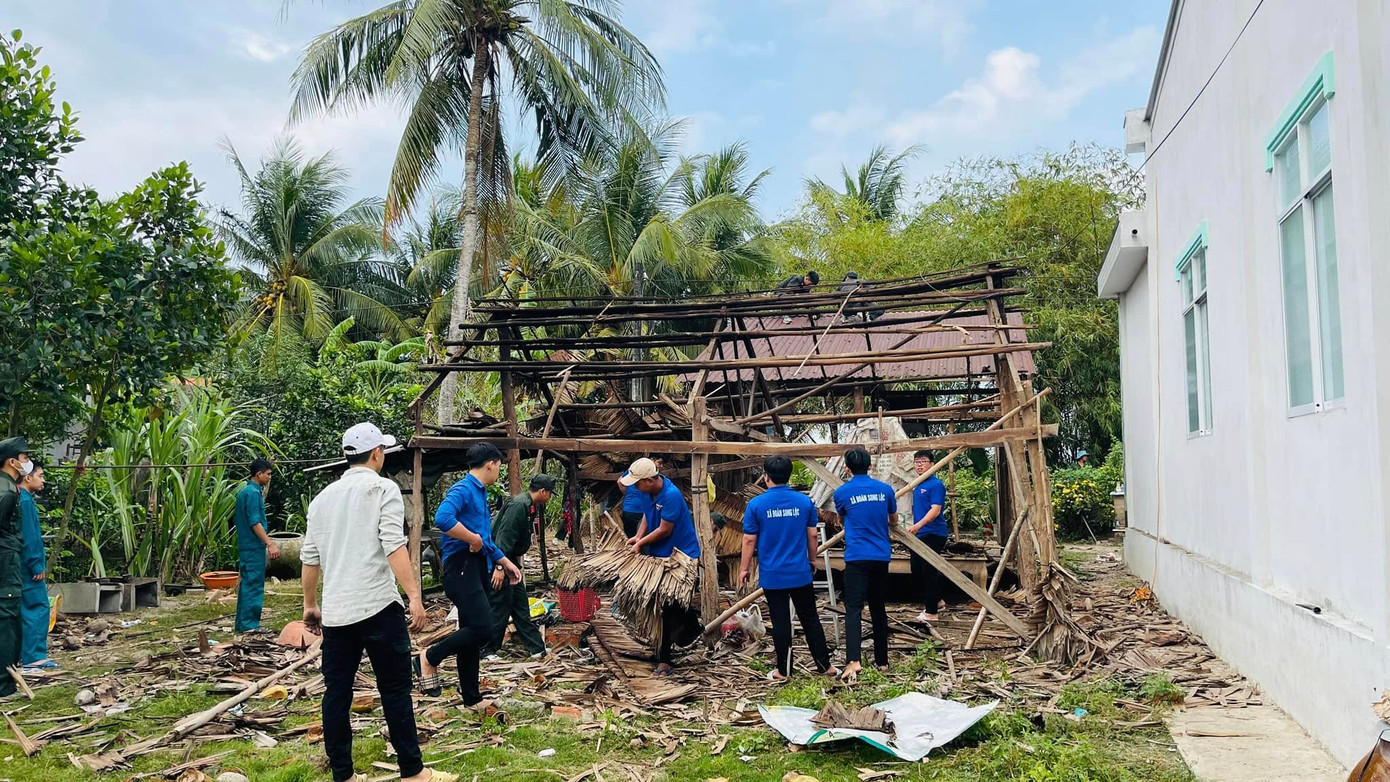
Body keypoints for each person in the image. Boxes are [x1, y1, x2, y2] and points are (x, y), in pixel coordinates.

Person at [300, 423, 449, 782]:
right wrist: (414, 596)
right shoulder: (383, 488)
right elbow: (393, 546)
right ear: (378, 453)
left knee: (337, 695)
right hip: (380, 609)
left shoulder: (322, 500)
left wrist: (310, 605)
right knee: (395, 691)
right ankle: (413, 772)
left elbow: (309, 558)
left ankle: (343, 775)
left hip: (337, 614)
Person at [419, 443, 523, 704]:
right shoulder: (463, 489)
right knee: (483, 629)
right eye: (499, 465)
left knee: (470, 633)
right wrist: (471, 538)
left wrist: (505, 562)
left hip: (476, 566)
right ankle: (429, 657)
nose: (499, 471)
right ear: (490, 463)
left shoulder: (479, 493)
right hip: (462, 566)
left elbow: (484, 539)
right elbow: (442, 518)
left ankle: (471, 697)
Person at [739, 456, 836, 681]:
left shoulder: (756, 505)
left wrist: (744, 568)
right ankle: (825, 666)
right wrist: (812, 560)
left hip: (773, 575)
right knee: (810, 618)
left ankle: (784, 670)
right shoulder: (804, 502)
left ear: (766, 476)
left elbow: (749, 540)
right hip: (800, 572)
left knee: (780, 621)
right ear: (789, 475)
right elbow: (812, 534)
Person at [622, 457, 702, 676]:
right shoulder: (645, 491)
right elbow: (648, 517)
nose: (635, 487)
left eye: (637, 483)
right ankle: (691, 632)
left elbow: (665, 529)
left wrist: (641, 543)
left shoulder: (672, 495)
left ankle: (665, 659)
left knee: (670, 606)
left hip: (680, 556)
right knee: (669, 605)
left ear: (649, 480)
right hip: (660, 553)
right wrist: (638, 536)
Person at [832, 447, 897, 681]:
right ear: (870, 466)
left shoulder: (841, 493)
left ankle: (854, 660)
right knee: (878, 607)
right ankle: (882, 661)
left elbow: (841, 518)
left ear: (847, 469)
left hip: (856, 556)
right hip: (881, 556)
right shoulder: (885, 490)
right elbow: (893, 519)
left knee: (853, 608)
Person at [482, 474, 554, 659]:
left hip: (509, 559)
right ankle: (486, 650)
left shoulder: (528, 505)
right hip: (501, 558)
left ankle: (537, 648)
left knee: (520, 605)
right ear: (542, 491)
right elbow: (503, 537)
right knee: (500, 606)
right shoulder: (519, 505)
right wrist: (500, 568)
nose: (550, 497)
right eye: (549, 493)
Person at [234, 458, 280, 633]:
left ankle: (242, 623)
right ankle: (250, 625)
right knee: (253, 586)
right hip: (253, 547)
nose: (269, 477)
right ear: (258, 473)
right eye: (268, 474)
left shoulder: (244, 492)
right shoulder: (253, 493)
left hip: (245, 546)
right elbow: (255, 522)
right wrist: (269, 543)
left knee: (246, 586)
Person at [0, 437, 31, 697]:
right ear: (12, 461)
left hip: (7, 557)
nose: (27, 463)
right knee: (7, 620)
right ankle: (4, 684)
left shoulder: (9, 487)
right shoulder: (6, 491)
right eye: (24, 458)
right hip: (4, 560)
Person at [18, 464, 53, 669]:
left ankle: (25, 654)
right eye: (40, 476)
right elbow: (29, 537)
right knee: (38, 607)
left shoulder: (20, 498)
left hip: (19, 565)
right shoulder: (24, 501)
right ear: (27, 478)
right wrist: (36, 564)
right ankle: (34, 657)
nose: (43, 480)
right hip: (27, 566)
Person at [907, 451, 949, 623]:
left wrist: (918, 525)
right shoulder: (918, 484)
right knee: (916, 568)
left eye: (923, 461)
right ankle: (937, 601)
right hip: (921, 534)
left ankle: (931, 612)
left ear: (932, 464)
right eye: (916, 461)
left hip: (933, 533)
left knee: (929, 570)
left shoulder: (935, 485)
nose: (919, 465)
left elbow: (935, 510)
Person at [617, 456, 663, 538]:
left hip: (630, 510)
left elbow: (665, 529)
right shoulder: (636, 470)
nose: (661, 466)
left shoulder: (667, 495)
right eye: (659, 463)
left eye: (637, 484)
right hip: (634, 511)